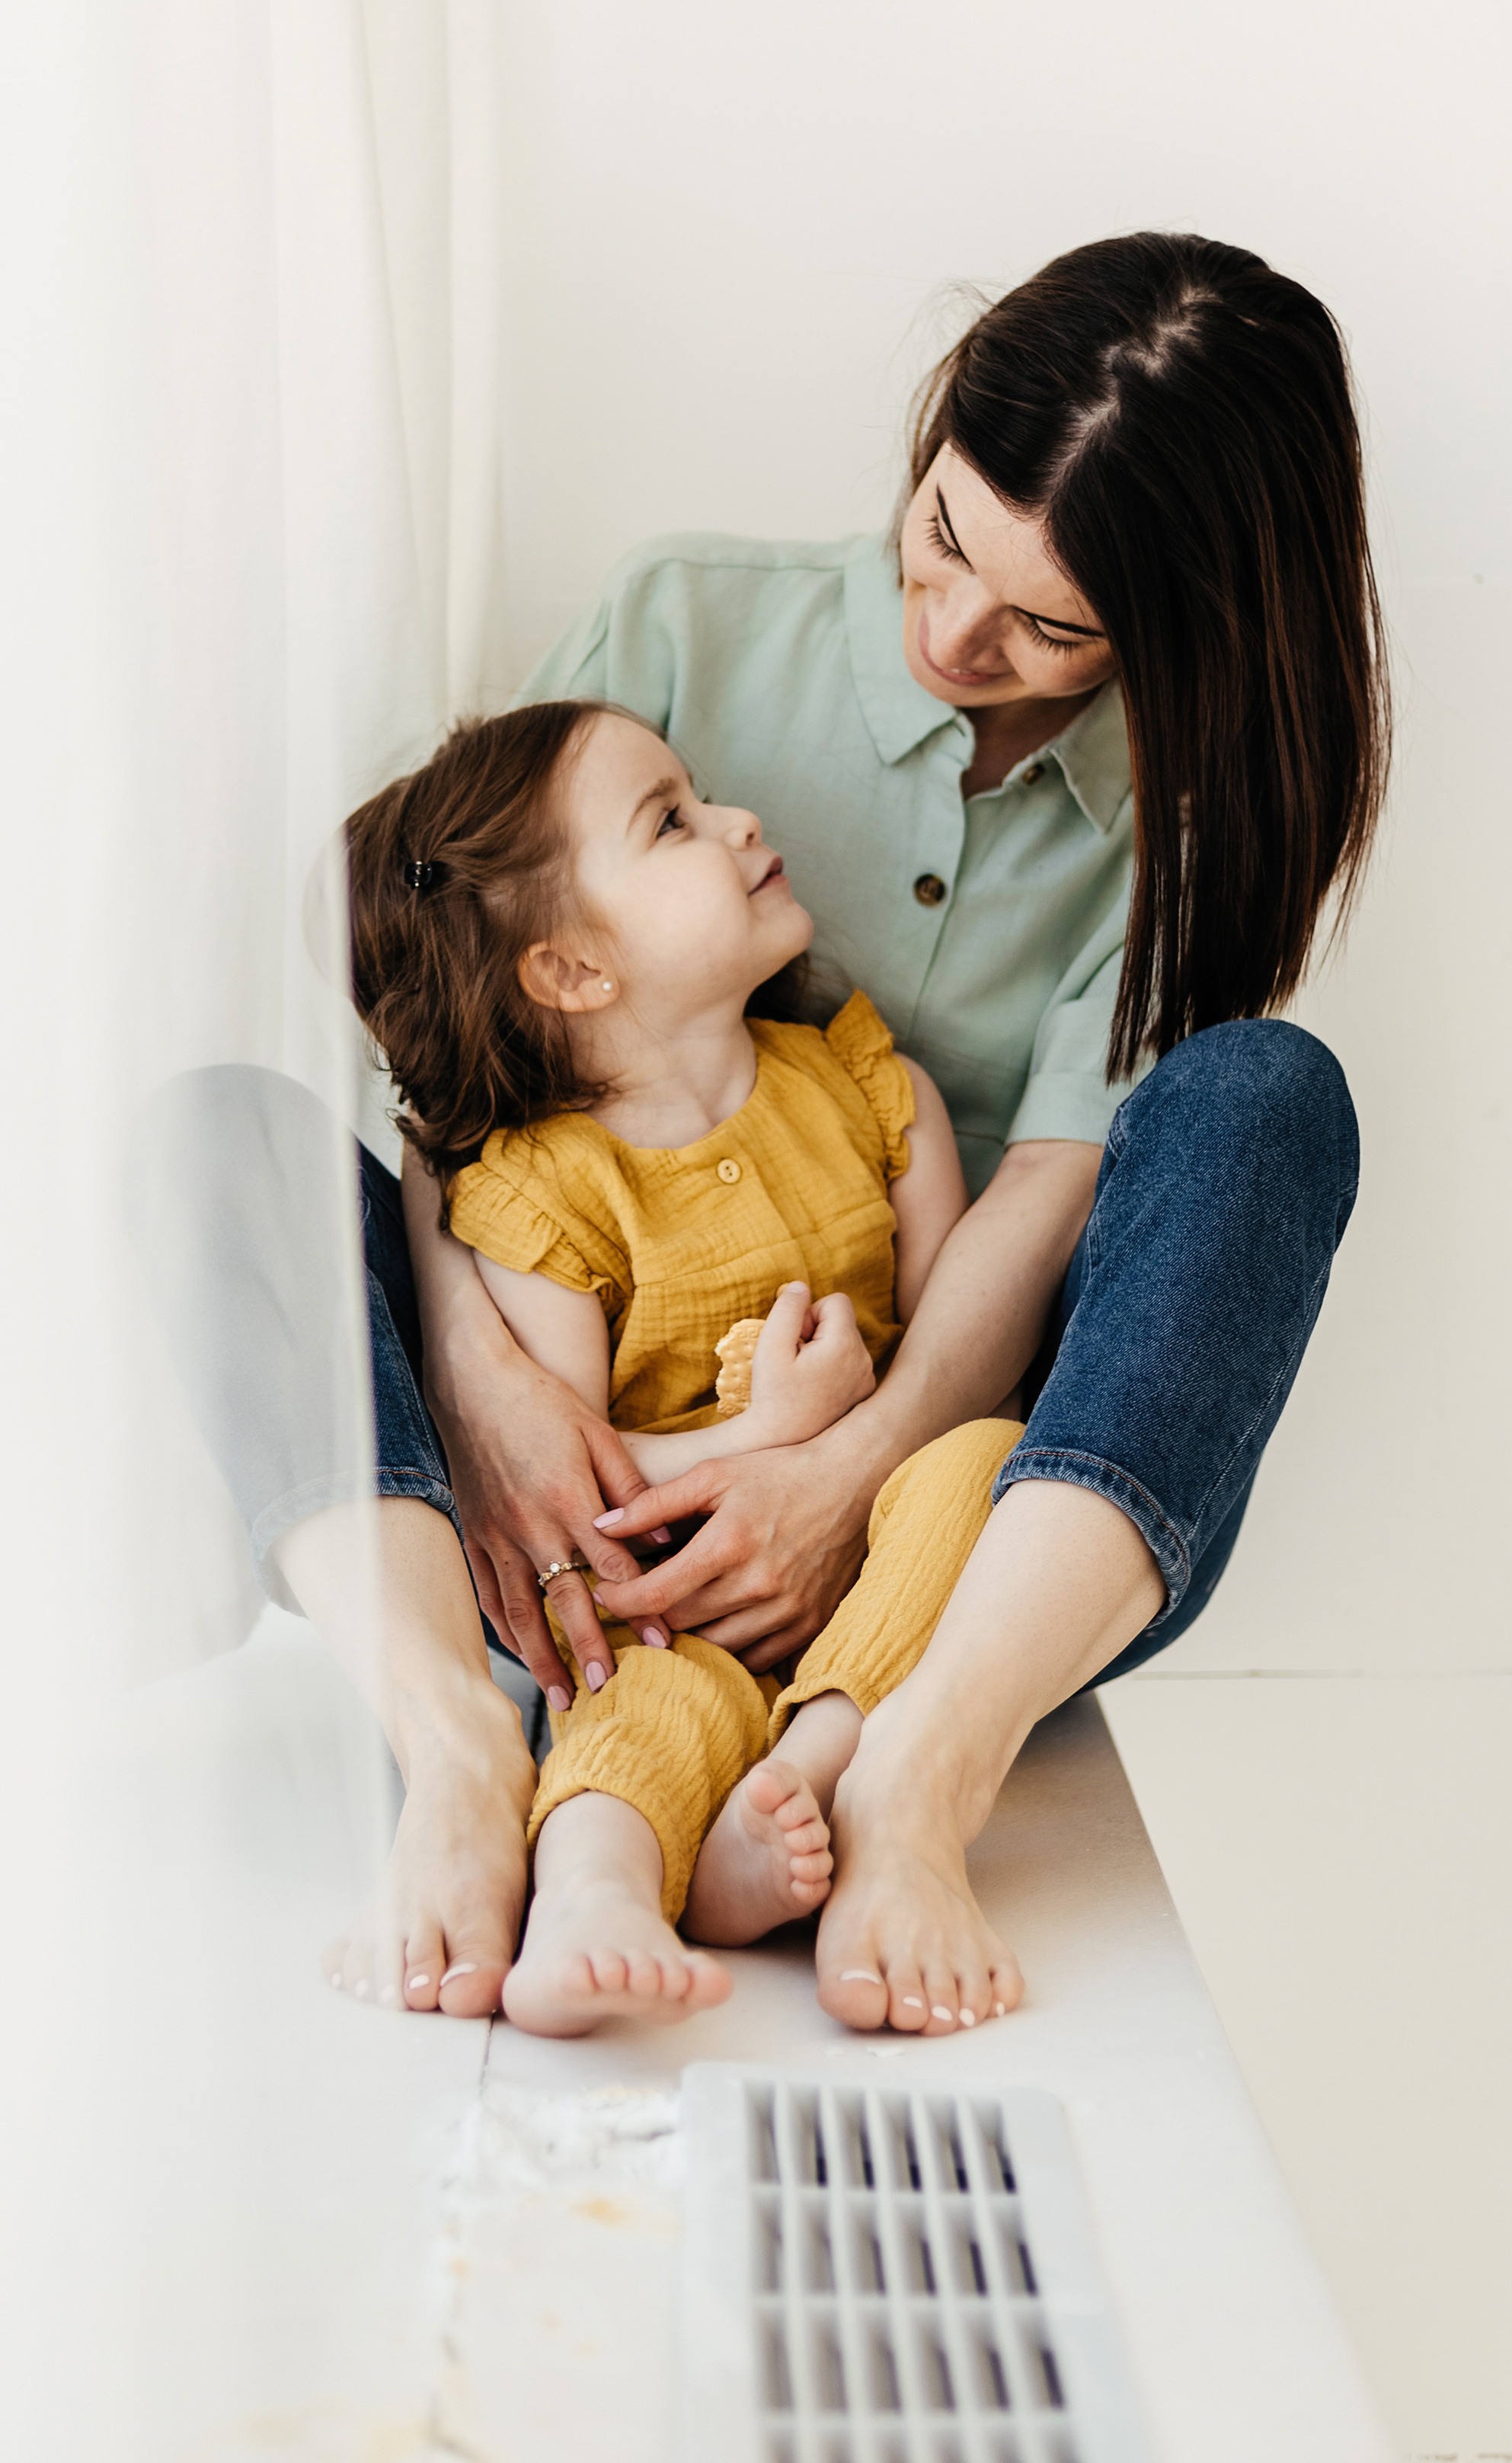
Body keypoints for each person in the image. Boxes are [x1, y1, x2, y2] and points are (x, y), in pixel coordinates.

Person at [135, 229, 1389, 2034]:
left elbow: (1041, 1207)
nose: (954, 633)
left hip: (964, 1548)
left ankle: (917, 1776)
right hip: (568, 1538)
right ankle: (462, 1748)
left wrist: (843, 1472)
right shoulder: (681, 625)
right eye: (944, 532)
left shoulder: (1182, 824)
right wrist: (492, 1404)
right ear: (932, 431)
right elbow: (443, 1021)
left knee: (1267, 1097)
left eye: (1048, 627)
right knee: (218, 1135)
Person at [340, 695, 1026, 2033]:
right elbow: (574, 1485)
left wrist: (847, 1440)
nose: (739, 819)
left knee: (983, 1470)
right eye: (674, 820)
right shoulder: (548, 1196)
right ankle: (594, 1891)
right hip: (682, 1606)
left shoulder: (879, 1095)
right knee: (633, 1703)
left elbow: (966, 1379)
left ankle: (822, 1774)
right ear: (575, 971)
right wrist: (760, 1434)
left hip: (890, 1574)